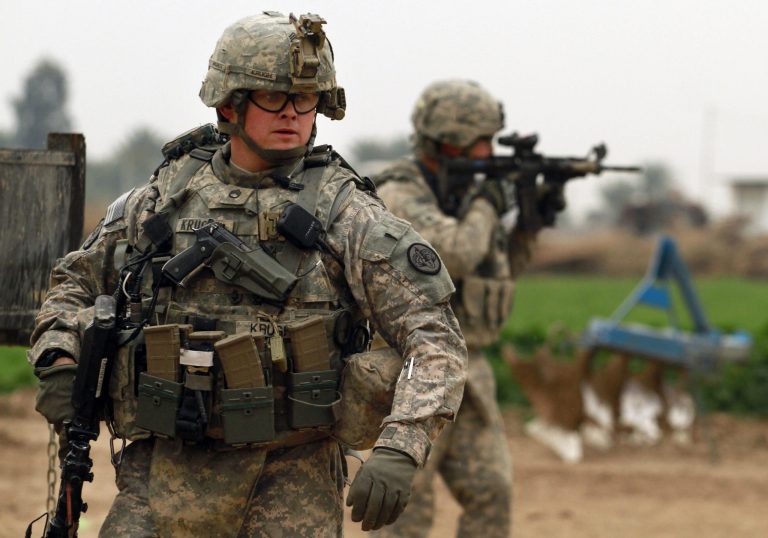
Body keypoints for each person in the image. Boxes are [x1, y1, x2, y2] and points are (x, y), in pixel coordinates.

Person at [29, 12, 467, 537]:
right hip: (162, 473)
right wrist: (59, 353)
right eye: (273, 98)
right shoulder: (160, 199)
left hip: (290, 481)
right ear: (228, 105)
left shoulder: (350, 217)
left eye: (306, 99)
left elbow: (435, 340)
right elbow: (74, 284)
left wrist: (402, 444)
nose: (293, 113)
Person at [372, 79, 566, 537]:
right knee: (405, 509)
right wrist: (489, 201)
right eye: (479, 141)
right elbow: (456, 252)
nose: (487, 151)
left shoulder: (466, 194)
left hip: (469, 371)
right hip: (410, 370)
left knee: (492, 493)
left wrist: (532, 221)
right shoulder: (400, 192)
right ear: (445, 141)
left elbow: (498, 270)